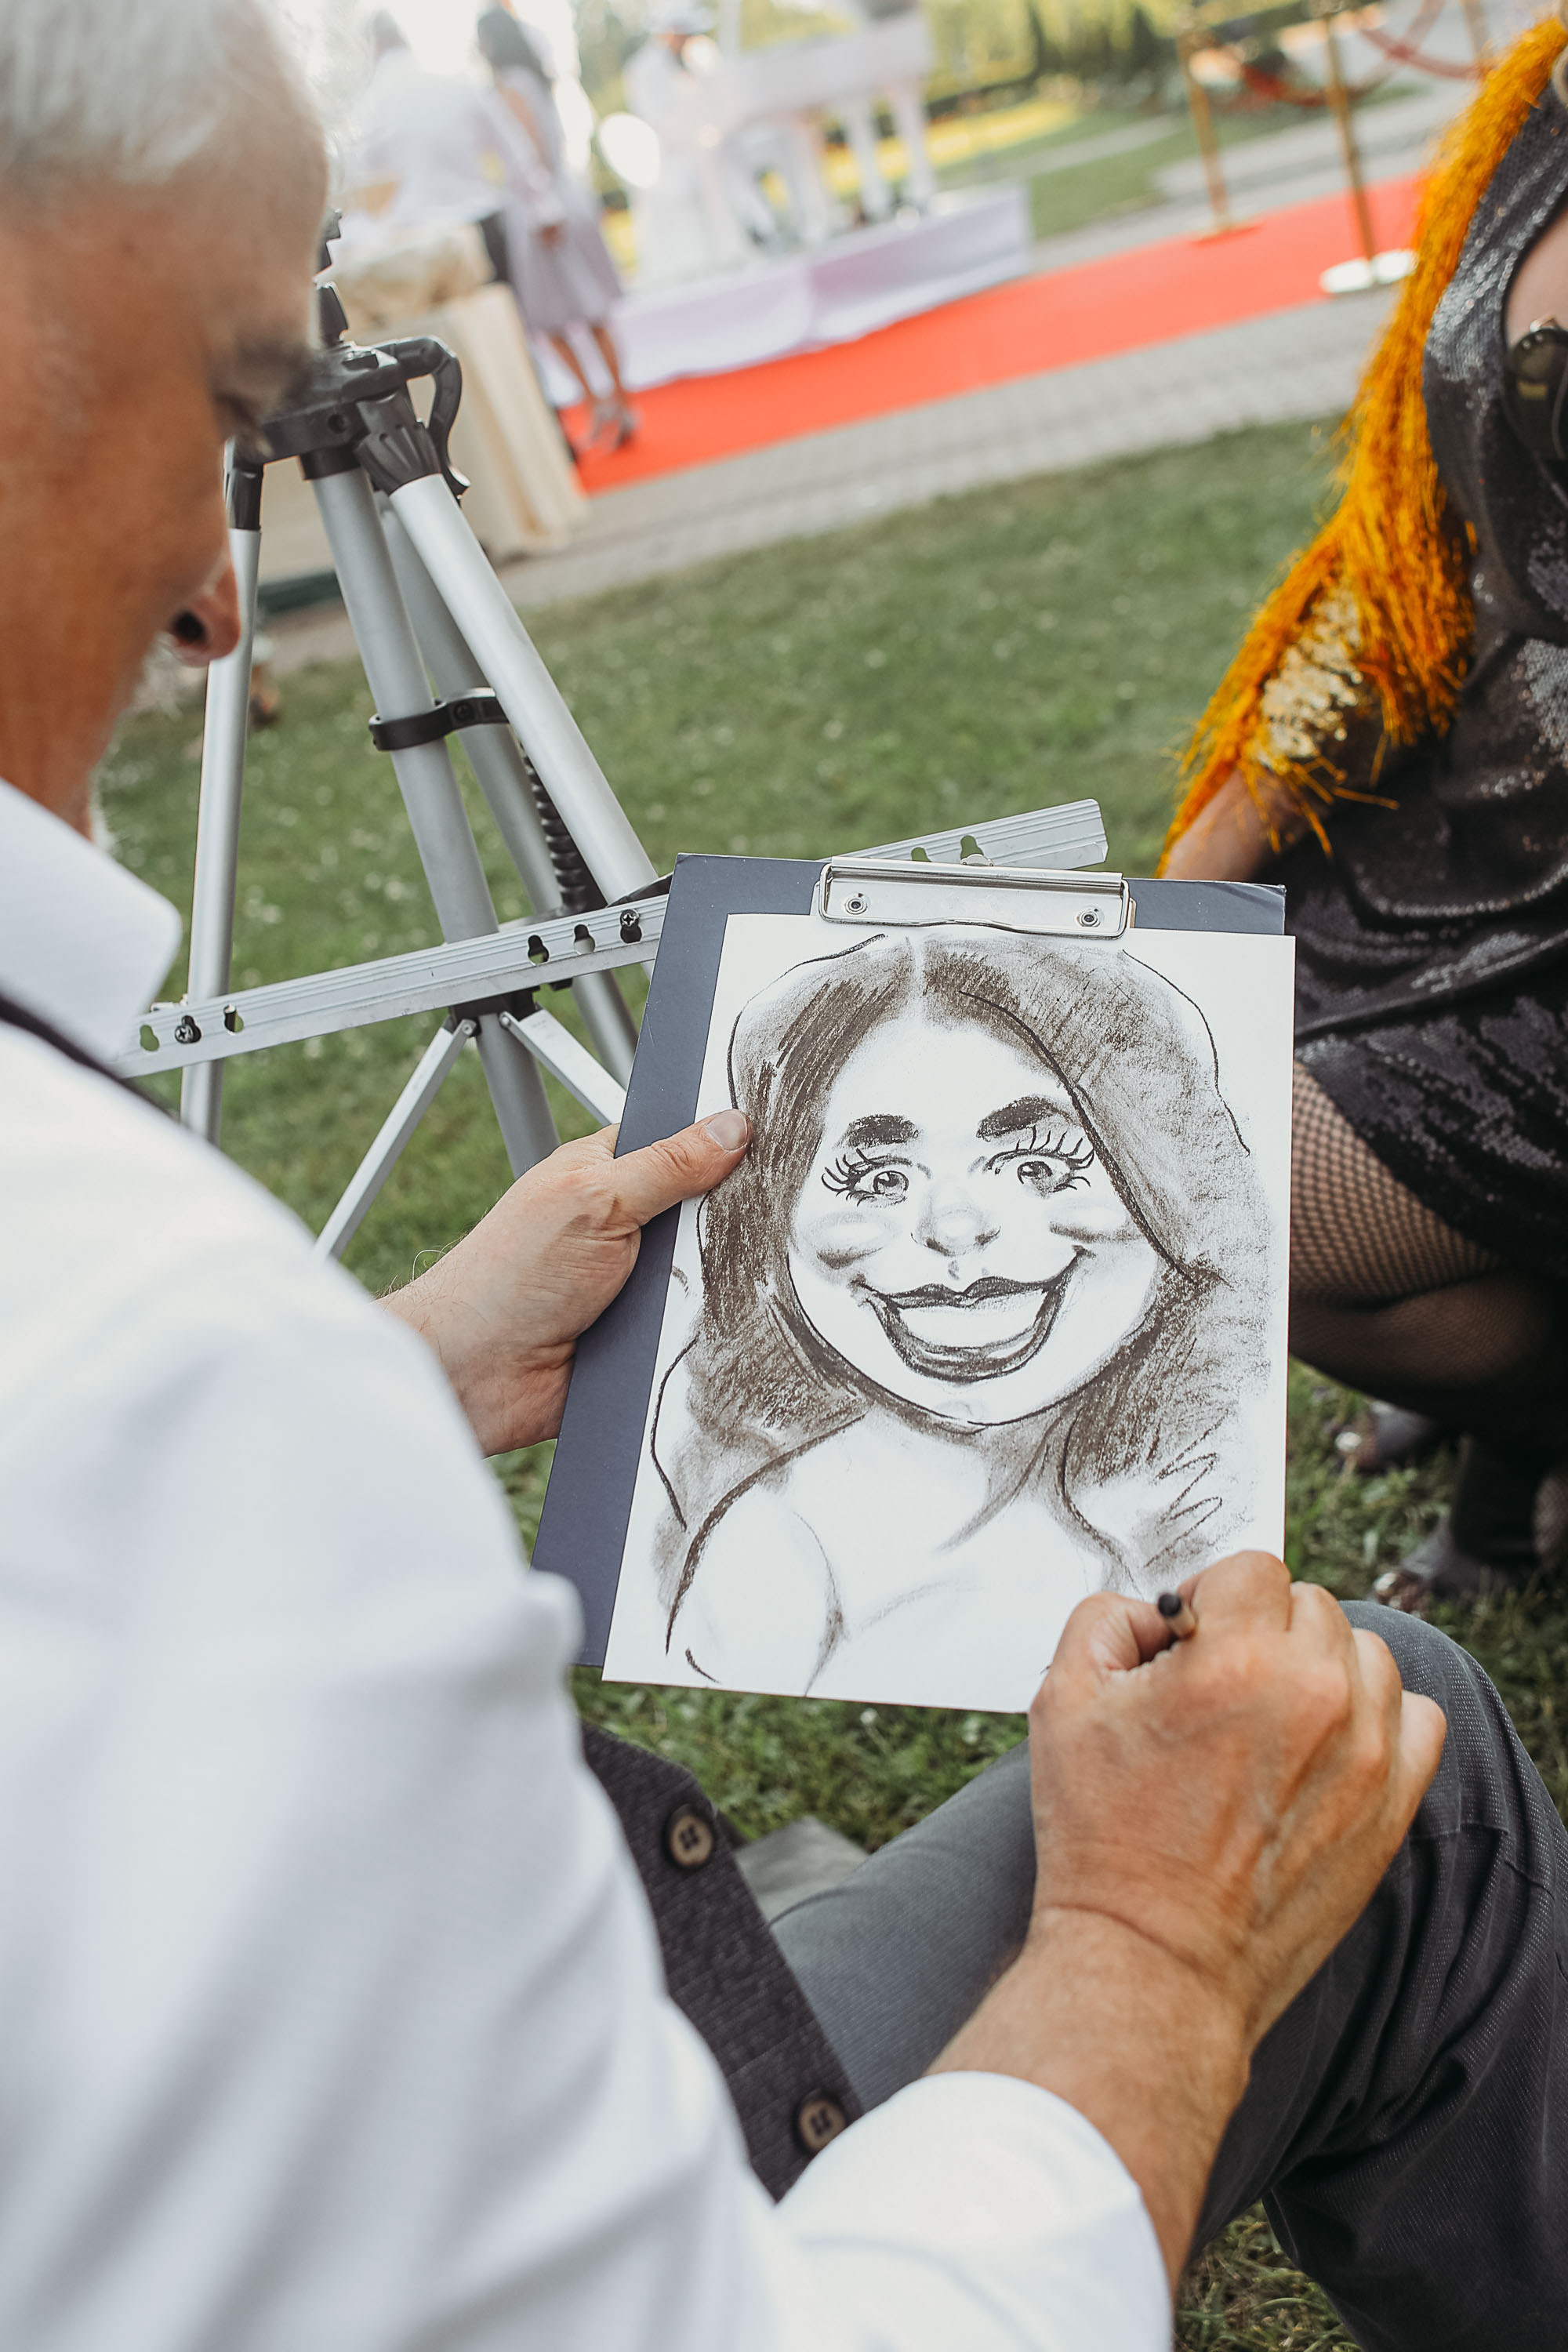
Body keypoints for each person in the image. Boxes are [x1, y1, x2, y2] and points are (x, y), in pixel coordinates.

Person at [2, 5, 1568, 2347]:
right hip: (619, 2183)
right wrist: (1145, 1952)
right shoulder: (148, 1342)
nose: (227, 600)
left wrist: (403, 1361)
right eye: (237, 414)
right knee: (1405, 1762)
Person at [1161, 13, 1568, 1611]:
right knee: (1180, 1086)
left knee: (1204, 1183)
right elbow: (1431, 528)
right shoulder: (1532, 98)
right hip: (1470, 822)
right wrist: (1232, 823)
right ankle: (1526, 1419)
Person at [652, 927, 1275, 1700]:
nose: (953, 1228)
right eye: (878, 1178)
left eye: (1036, 1164)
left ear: (1166, 1182)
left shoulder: (1203, 1491)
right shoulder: (779, 1541)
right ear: (771, 1222)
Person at [475, 6, 637, 452]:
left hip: (542, 208)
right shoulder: (538, 80)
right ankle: (617, 402)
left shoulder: (511, 86)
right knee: (588, 310)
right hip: (567, 196)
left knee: (555, 316)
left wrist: (539, 206)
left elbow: (532, 152)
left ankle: (601, 402)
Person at [349, 9, 556, 292]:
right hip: (484, 226)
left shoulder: (371, 109)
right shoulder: (456, 82)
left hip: (422, 239)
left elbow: (362, 183)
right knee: (510, 326)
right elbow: (513, 148)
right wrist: (541, 207)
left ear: (372, 48)